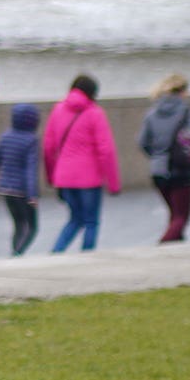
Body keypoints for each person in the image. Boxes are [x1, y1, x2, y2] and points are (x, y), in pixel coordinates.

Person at [41, 74, 119, 253]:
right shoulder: (95, 113)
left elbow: (48, 147)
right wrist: (113, 184)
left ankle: (55, 254)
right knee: (91, 221)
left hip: (64, 177)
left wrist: (52, 177)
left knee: (75, 219)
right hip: (89, 179)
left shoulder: (58, 109)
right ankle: (87, 259)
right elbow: (106, 150)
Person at [136, 74, 190, 245]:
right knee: (181, 217)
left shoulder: (152, 113)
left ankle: (176, 249)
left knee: (174, 214)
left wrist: (157, 156)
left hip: (158, 171)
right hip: (181, 169)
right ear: (182, 91)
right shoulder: (187, 112)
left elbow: (142, 142)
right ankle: (162, 247)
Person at [0, 103, 43, 255]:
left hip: (5, 189)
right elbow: (30, 169)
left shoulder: (6, 136)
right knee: (32, 226)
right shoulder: (31, 140)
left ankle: (14, 251)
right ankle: (17, 253)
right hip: (22, 192)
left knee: (18, 224)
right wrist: (32, 195)